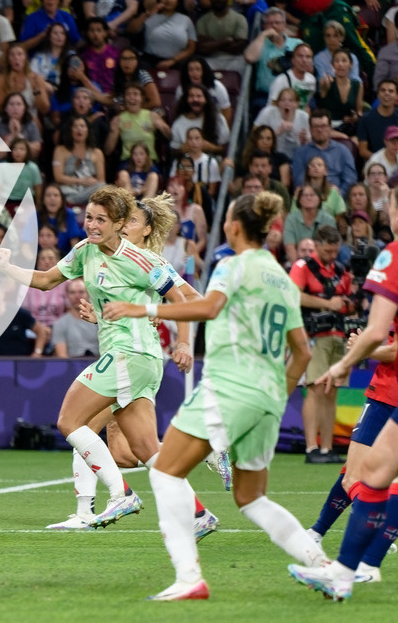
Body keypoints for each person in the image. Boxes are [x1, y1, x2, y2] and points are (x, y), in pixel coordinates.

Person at [104, 192, 328, 600]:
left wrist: (144, 311)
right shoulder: (281, 276)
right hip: (266, 399)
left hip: (228, 385)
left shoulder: (232, 264)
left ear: (234, 227)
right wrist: (278, 396)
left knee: (164, 472)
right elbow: (303, 352)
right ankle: (321, 564)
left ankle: (189, 578)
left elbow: (207, 307)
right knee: (251, 497)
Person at [0, 186, 198, 529]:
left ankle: (119, 496)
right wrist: (7, 268)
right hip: (131, 357)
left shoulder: (143, 260)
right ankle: (197, 513)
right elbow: (46, 281)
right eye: (88, 217)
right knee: (142, 450)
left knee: (72, 423)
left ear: (120, 224)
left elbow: (186, 300)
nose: (92, 224)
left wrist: (183, 341)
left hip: (132, 356)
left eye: (102, 219)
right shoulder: (87, 252)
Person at [288, 188, 398, 600]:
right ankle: (354, 568)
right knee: (376, 476)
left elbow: (375, 332)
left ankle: (354, 566)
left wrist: (344, 362)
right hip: (387, 387)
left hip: (390, 386)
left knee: (370, 477)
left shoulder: (393, 254)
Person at [290, 225, 355, 464]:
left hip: (338, 334)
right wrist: (328, 304)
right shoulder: (303, 267)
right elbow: (293, 295)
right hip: (314, 335)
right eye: (327, 251)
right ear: (316, 246)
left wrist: (347, 303)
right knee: (316, 388)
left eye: (335, 251)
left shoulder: (340, 269)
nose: (331, 256)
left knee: (331, 391)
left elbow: (348, 302)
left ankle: (327, 448)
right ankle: (311, 447)